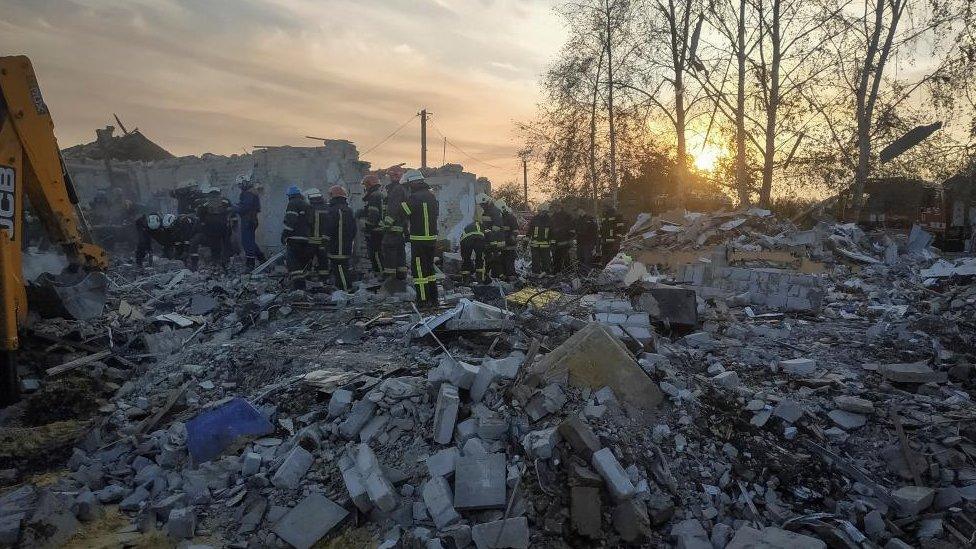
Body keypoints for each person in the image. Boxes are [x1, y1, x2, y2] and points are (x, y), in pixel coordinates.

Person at [402, 169, 439, 308]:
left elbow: (403, 212)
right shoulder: (431, 196)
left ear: (412, 183)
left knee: (419, 271)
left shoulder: (414, 197)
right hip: (431, 239)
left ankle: (422, 300)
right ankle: (434, 299)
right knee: (429, 269)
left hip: (419, 239)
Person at [324, 185, 358, 291]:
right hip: (346, 244)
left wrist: (325, 241)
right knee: (343, 267)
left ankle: (345, 288)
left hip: (336, 245)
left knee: (339, 267)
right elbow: (354, 230)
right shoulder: (348, 210)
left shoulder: (334, 210)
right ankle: (343, 286)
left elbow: (329, 227)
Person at [193, 186, 233, 271]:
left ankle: (222, 262)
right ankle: (221, 263)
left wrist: (203, 226)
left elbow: (200, 216)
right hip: (217, 228)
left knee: (221, 245)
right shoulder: (224, 201)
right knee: (219, 245)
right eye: (213, 194)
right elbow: (201, 216)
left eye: (215, 194)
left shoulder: (207, 203)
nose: (214, 196)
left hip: (219, 228)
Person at [280, 185, 313, 287]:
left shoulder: (292, 203)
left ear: (290, 195)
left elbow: (290, 221)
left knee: (293, 263)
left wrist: (284, 235)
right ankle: (306, 285)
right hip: (307, 240)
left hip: (294, 239)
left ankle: (299, 287)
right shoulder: (307, 205)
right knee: (303, 263)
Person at [381, 174, 409, 282]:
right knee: (400, 253)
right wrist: (406, 232)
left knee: (389, 253)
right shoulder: (404, 190)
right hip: (400, 230)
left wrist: (385, 226)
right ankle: (401, 277)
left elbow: (393, 209)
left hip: (392, 229)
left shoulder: (396, 190)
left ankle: (390, 280)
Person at [358, 175, 386, 275]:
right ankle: (381, 274)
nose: (365, 188)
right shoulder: (380, 194)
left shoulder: (374, 196)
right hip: (381, 229)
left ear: (369, 185)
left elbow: (373, 215)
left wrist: (367, 226)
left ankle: (380, 274)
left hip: (375, 230)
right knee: (379, 253)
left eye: (365, 186)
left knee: (375, 254)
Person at [236, 177, 264, 269]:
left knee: (247, 242)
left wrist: (234, 208)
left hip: (248, 220)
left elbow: (245, 207)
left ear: (244, 183)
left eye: (240, 184)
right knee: (250, 241)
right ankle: (262, 259)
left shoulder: (248, 193)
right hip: (251, 219)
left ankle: (250, 263)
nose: (239, 187)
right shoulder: (251, 192)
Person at [305, 188, 331, 281]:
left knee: (307, 260)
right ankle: (324, 280)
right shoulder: (328, 207)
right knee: (323, 260)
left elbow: (308, 223)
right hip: (325, 240)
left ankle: (307, 279)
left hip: (312, 240)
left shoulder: (309, 209)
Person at [478, 194, 506, 279]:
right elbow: (485, 226)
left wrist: (486, 234)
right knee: (489, 259)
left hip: (496, 241)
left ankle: (500, 276)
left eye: (483, 204)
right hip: (489, 240)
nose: (482, 206)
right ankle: (489, 276)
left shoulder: (495, 211)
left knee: (495, 259)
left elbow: (496, 228)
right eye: (481, 205)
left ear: (487, 202)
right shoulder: (486, 212)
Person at [527, 202, 553, 275]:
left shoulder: (549, 220)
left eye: (541, 211)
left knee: (546, 262)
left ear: (544, 211)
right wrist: (526, 239)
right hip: (535, 246)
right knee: (535, 262)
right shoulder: (534, 219)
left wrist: (553, 243)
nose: (539, 213)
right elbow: (530, 230)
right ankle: (536, 275)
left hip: (545, 246)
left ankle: (546, 275)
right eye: (539, 211)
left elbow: (552, 233)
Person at [459, 215, 486, 284]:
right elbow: (486, 239)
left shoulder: (468, 227)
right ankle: (480, 280)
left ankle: (465, 280)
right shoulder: (481, 226)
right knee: (479, 258)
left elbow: (462, 243)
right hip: (478, 238)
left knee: (466, 259)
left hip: (465, 241)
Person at [550, 201, 575, 272]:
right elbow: (551, 230)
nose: (555, 207)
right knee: (556, 259)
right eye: (554, 206)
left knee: (566, 259)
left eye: (556, 206)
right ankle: (557, 273)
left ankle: (569, 273)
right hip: (555, 243)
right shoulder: (553, 217)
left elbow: (571, 230)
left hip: (565, 242)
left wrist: (568, 240)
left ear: (560, 206)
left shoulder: (567, 216)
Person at [498, 200, 519, 279]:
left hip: (509, 245)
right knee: (503, 261)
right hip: (503, 245)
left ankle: (511, 277)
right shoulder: (501, 218)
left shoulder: (511, 217)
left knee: (509, 262)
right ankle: (506, 277)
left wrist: (511, 239)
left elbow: (515, 231)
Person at [575, 207, 599, 271]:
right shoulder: (578, 220)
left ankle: (587, 275)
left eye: (578, 210)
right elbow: (576, 231)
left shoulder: (590, 219)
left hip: (588, 243)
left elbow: (595, 232)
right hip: (580, 243)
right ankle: (580, 275)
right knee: (580, 259)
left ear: (582, 209)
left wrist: (595, 245)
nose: (577, 212)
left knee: (587, 260)